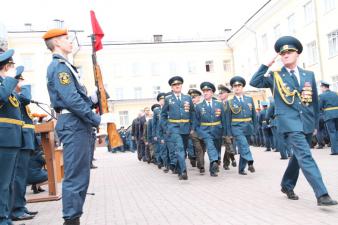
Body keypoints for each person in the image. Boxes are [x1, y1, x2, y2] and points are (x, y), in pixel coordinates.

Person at [250, 35, 337, 206]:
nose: (286, 55)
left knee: (298, 156)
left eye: (290, 51)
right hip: (289, 123)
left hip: (306, 122)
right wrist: (267, 63)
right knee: (306, 155)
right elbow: (254, 81)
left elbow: (313, 102)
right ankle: (322, 194)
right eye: (283, 53)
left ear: (297, 54)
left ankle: (287, 185)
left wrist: (314, 125)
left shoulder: (308, 74)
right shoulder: (275, 76)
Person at [43, 28, 113, 225]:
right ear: (56, 42)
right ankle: (71, 220)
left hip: (77, 123)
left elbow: (75, 98)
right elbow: (70, 99)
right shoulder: (59, 67)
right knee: (75, 176)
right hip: (74, 124)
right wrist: (96, 118)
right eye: (66, 38)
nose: (70, 41)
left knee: (81, 175)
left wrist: (94, 98)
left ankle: (74, 217)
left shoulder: (66, 66)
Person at [10, 66, 38, 221]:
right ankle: (16, 209)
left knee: (22, 176)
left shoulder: (16, 94)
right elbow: (26, 97)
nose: (23, 82)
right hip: (19, 140)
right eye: (20, 79)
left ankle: (21, 206)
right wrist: (24, 86)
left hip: (25, 140)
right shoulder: (14, 94)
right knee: (18, 177)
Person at [0, 49, 24, 225]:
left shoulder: (5, 84)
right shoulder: (5, 84)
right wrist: (9, 79)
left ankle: (6, 218)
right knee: (2, 183)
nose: (11, 69)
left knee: (8, 184)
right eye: (9, 65)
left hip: (12, 138)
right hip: (3, 138)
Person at [161, 76, 194, 180]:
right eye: (175, 85)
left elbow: (192, 112)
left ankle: (179, 169)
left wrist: (192, 127)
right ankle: (184, 171)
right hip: (174, 128)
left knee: (183, 150)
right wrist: (166, 127)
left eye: (179, 84)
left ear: (181, 86)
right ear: (172, 87)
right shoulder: (168, 99)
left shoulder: (187, 98)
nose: (177, 86)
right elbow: (163, 115)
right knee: (179, 148)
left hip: (186, 128)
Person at [194, 82, 228, 177]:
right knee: (210, 146)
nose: (205, 93)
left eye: (207, 91)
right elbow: (196, 122)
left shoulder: (219, 104)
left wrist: (225, 131)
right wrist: (199, 132)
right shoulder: (199, 106)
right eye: (204, 91)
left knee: (217, 148)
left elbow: (223, 119)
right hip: (205, 131)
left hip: (218, 130)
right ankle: (214, 161)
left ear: (212, 92)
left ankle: (213, 168)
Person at [227, 76, 256, 175]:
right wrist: (229, 132)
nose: (237, 87)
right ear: (232, 88)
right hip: (236, 127)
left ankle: (241, 169)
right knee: (243, 145)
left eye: (239, 85)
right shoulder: (230, 102)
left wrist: (255, 128)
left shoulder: (249, 99)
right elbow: (228, 119)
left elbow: (254, 115)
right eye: (235, 86)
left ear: (242, 87)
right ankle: (250, 161)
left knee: (245, 146)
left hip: (248, 126)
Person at [217, 84, 237, 170]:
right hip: (218, 129)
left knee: (229, 145)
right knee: (218, 146)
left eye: (222, 93)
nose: (220, 95)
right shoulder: (216, 104)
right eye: (219, 93)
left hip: (229, 129)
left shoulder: (231, 104)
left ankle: (226, 163)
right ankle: (217, 161)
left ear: (227, 94)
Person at [188, 88, 206, 174]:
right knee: (198, 148)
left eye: (195, 97)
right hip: (193, 131)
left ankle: (200, 163)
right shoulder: (187, 108)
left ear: (199, 98)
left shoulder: (203, 106)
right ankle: (201, 166)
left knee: (203, 148)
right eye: (192, 97)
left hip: (203, 130)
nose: (193, 99)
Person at [319, 80, 338, 155]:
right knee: (337, 131)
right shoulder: (336, 94)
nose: (321, 89)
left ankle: (335, 151)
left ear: (324, 87)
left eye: (321, 87)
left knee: (332, 132)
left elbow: (319, 107)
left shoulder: (322, 95)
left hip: (329, 115)